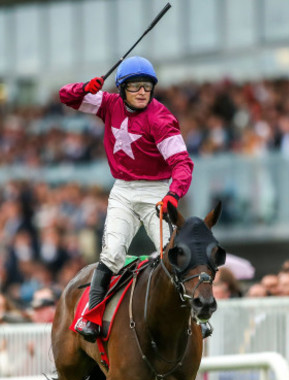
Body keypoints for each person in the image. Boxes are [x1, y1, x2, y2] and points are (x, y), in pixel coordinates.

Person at [59, 56, 194, 342]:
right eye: (135, 87)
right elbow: (65, 97)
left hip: (157, 190)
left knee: (174, 255)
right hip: (122, 190)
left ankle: (195, 317)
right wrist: (85, 87)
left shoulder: (161, 118)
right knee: (112, 253)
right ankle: (91, 317)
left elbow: (183, 164)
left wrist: (174, 193)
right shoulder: (109, 104)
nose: (143, 92)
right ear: (122, 89)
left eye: (147, 86)